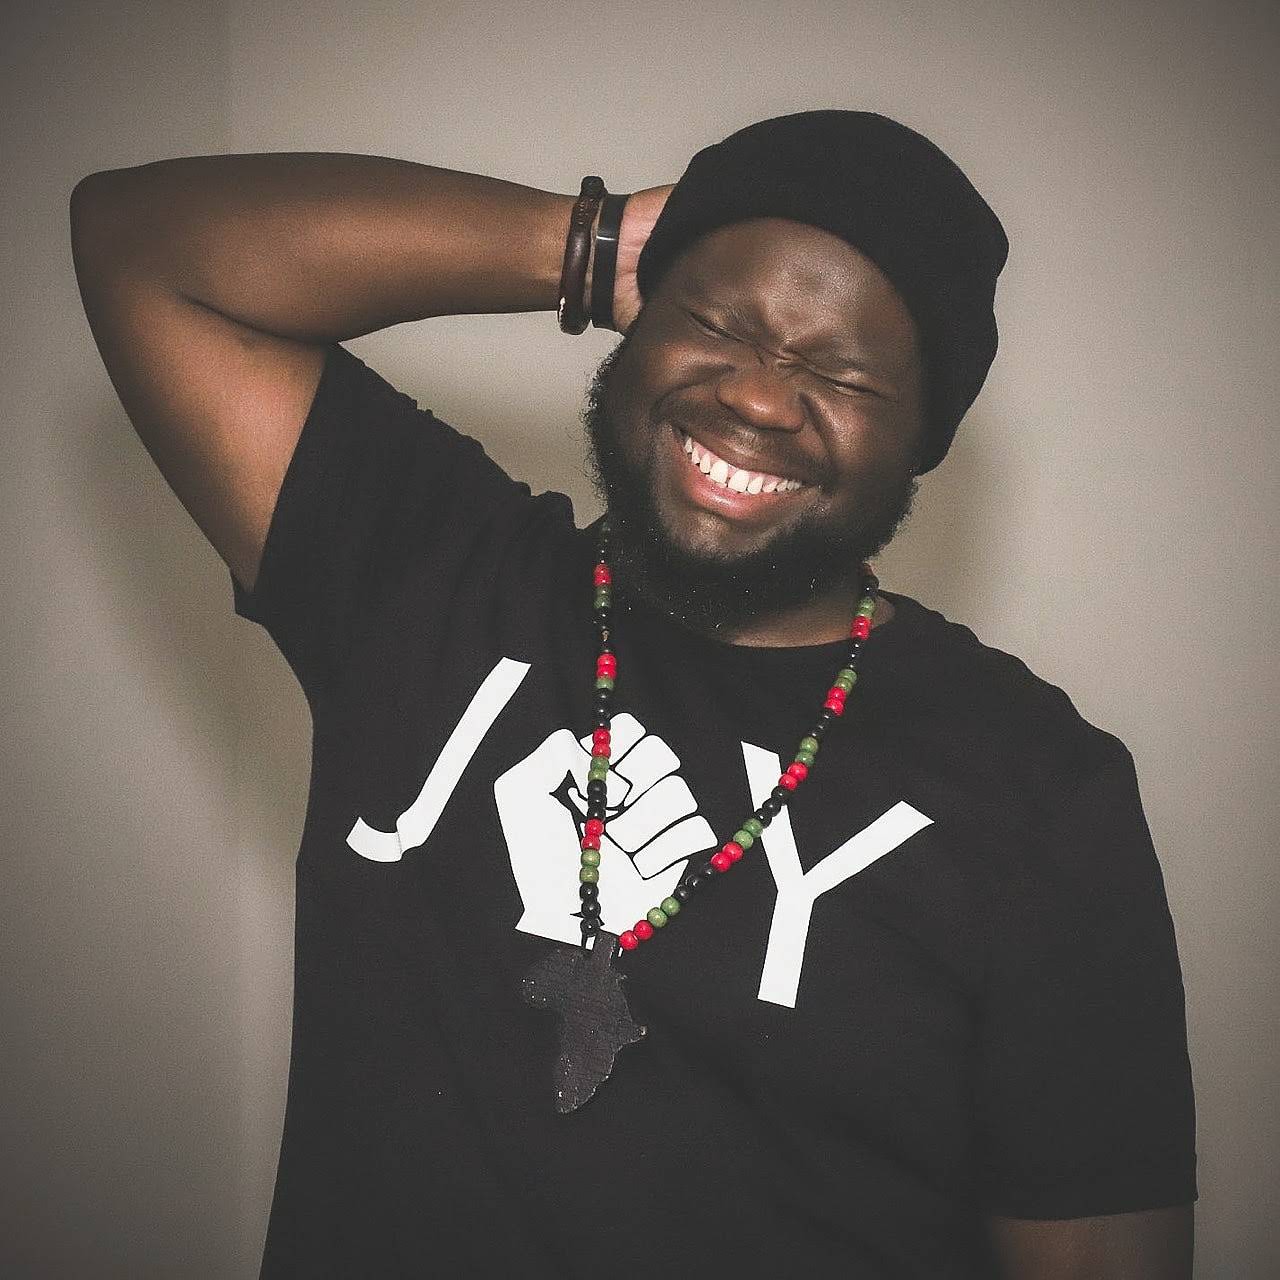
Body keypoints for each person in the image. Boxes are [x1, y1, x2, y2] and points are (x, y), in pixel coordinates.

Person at [71, 110, 1197, 1278]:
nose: (761, 398)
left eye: (844, 373)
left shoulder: (1037, 791)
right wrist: (593, 241)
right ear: (633, 321)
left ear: (920, 440)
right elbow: (141, 243)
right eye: (713, 320)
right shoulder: (424, 573)